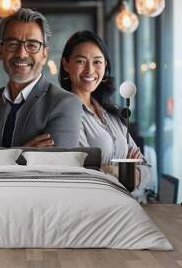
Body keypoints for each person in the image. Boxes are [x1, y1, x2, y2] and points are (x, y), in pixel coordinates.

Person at [0, 8, 82, 148]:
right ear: (0, 51)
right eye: (13, 44)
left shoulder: (65, 104)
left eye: (32, 45)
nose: (21, 54)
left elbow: (56, 167)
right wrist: (21, 155)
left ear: (44, 54)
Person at [58, 30, 151, 200]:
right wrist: (128, 171)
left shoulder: (111, 113)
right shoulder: (65, 114)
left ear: (105, 66)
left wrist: (112, 170)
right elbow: (85, 176)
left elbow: (148, 170)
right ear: (66, 64)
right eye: (80, 61)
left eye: (97, 62)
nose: (90, 70)